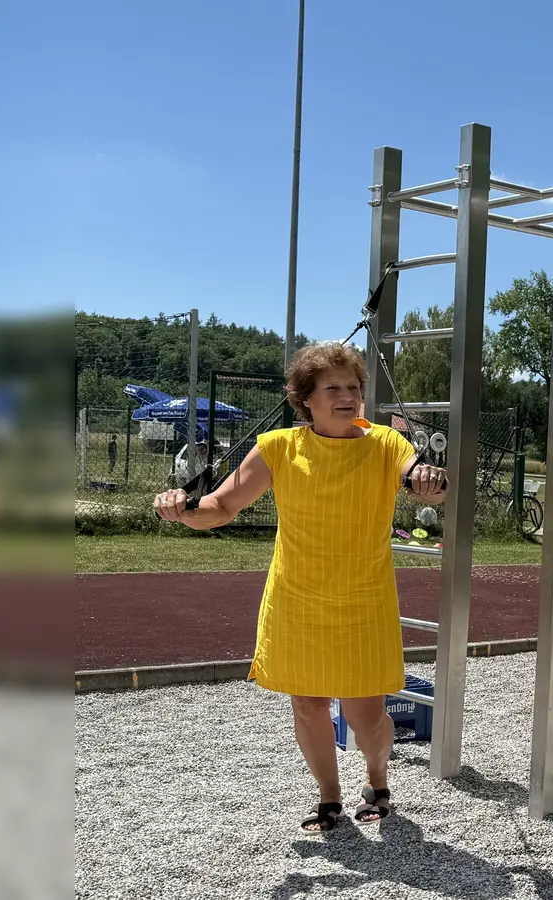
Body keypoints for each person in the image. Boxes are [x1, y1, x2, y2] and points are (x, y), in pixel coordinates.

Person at [153, 342, 447, 833]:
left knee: (366, 718)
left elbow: (418, 475)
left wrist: (429, 482)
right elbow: (221, 508)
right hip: (297, 598)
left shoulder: (387, 444)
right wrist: (182, 509)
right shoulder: (277, 448)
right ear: (305, 398)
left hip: (363, 601)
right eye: (332, 387)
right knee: (309, 705)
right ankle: (328, 795)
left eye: (353, 387)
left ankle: (377, 777)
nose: (347, 395)